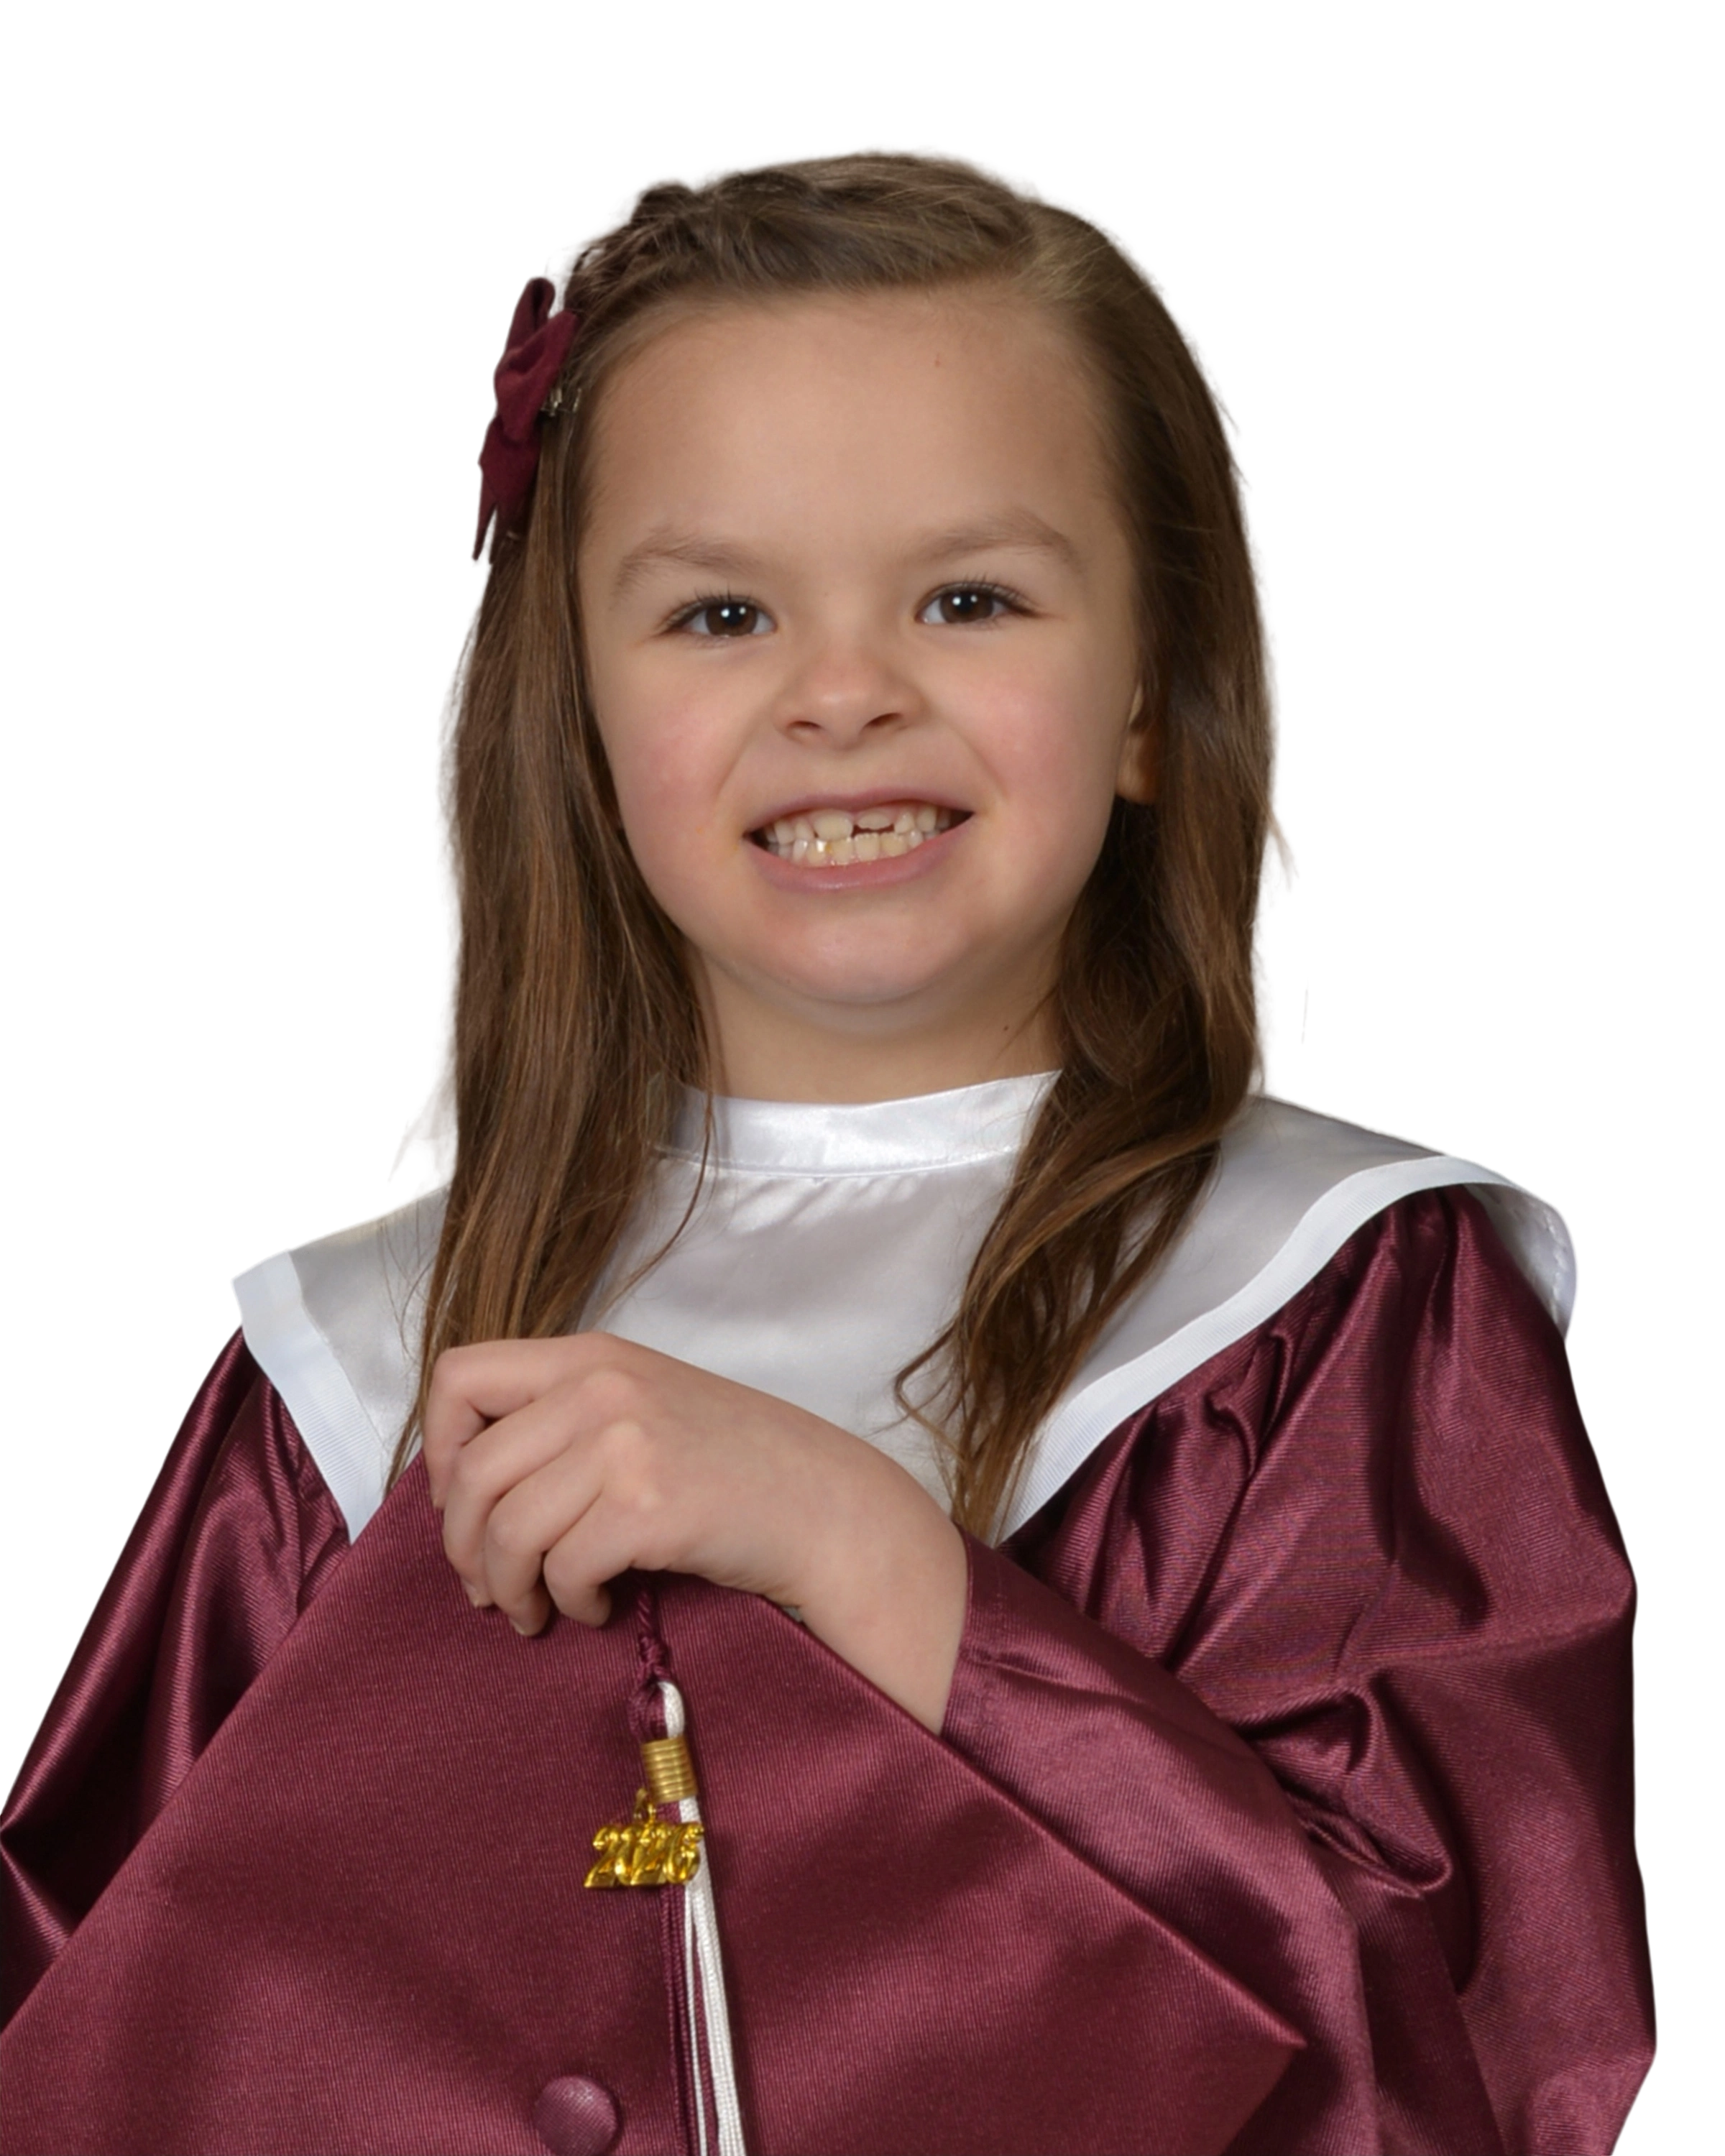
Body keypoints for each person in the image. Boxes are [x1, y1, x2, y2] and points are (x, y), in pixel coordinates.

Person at [0, 143, 1656, 2156]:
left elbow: (1459, 2071)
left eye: (969, 597)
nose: (846, 694)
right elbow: (101, 2057)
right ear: (576, 720)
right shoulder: (352, 1387)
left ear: (1152, 689)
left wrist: (881, 1571)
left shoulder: (1336, 1308)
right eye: (721, 612)